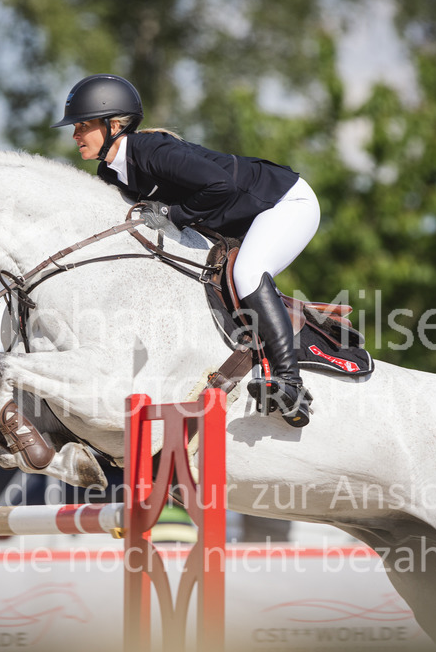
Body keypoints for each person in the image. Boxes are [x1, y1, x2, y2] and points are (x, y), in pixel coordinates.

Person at [52, 74, 321, 427]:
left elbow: (219, 185)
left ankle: (290, 382)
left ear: (114, 124)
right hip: (242, 219)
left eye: (82, 126)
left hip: (284, 202)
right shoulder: (111, 172)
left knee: (248, 273)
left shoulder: (152, 150)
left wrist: (171, 214)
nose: (74, 135)